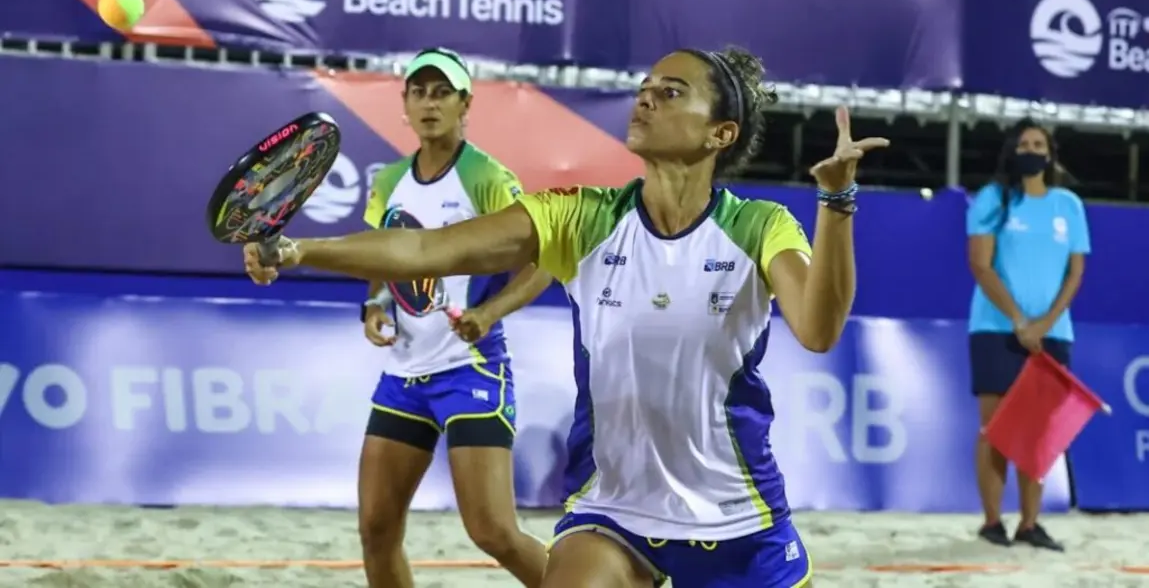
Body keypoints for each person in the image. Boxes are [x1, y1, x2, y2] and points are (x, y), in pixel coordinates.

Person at [244, 46, 888, 587]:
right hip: (614, 514)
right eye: (644, 89)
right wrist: (299, 250)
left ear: (720, 133)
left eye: (670, 93)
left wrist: (837, 202)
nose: (645, 100)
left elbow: (819, 329)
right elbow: (421, 250)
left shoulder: (759, 226)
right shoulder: (581, 217)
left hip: (738, 519)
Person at [356, 47, 553, 588]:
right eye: (419, 92)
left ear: (465, 103)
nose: (429, 103)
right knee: (376, 529)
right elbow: (383, 258)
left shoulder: (486, 177)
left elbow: (546, 260)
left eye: (442, 92)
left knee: (493, 532)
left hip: (470, 370)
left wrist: (489, 312)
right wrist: (375, 304)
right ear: (405, 104)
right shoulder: (390, 180)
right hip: (403, 376)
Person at [966, 118, 1090, 552]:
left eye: (1039, 144)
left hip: (1053, 334)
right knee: (995, 428)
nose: (1032, 150)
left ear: (1050, 153)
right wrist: (1020, 320)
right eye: (1024, 144)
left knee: (1038, 432)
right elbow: (980, 265)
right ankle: (992, 522)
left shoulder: (1068, 205)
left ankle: (1030, 524)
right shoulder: (993, 198)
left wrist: (1044, 323)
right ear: (1012, 151)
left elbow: (1075, 272)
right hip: (996, 329)